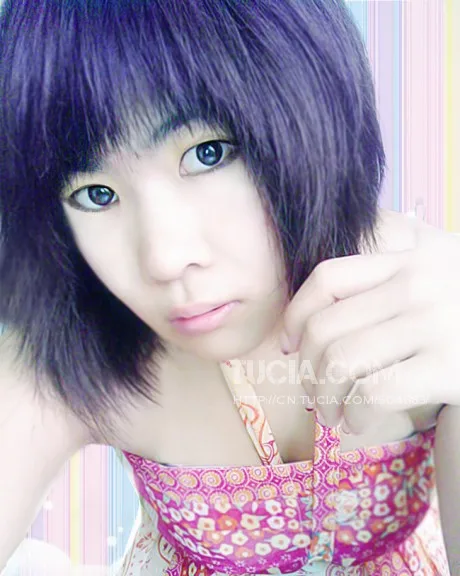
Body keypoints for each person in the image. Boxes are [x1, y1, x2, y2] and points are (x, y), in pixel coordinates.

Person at [1, 0, 459, 574]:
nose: (165, 259)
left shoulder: (425, 299)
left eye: (207, 154)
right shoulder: (74, 349)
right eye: (95, 194)